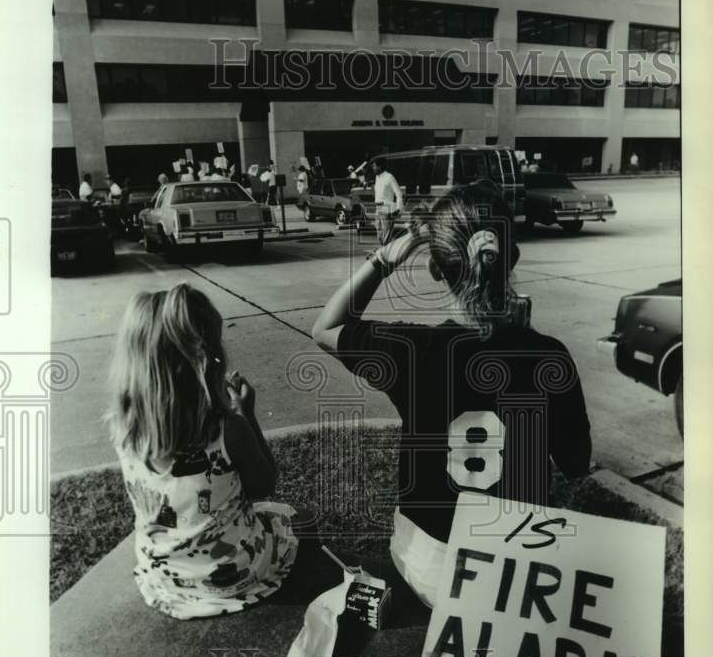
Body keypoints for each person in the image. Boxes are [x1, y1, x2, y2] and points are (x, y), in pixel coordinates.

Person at [312, 193, 592, 607]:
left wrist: (385, 259)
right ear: (509, 259)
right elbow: (575, 463)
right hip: (518, 573)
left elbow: (325, 327)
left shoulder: (411, 350)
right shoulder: (549, 355)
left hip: (429, 571)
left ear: (435, 269)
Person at [108, 283, 300, 619]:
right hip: (233, 580)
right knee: (283, 518)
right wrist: (247, 415)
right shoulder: (228, 430)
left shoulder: (123, 429)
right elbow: (264, 485)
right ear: (206, 361)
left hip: (165, 579)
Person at [371, 157, 404, 245]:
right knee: (379, 233)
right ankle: (389, 248)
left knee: (386, 235)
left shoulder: (389, 177)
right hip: (378, 208)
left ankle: (387, 252)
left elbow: (399, 193)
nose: (373, 168)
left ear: (380, 167)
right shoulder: (377, 177)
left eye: (374, 166)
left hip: (387, 209)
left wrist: (399, 208)